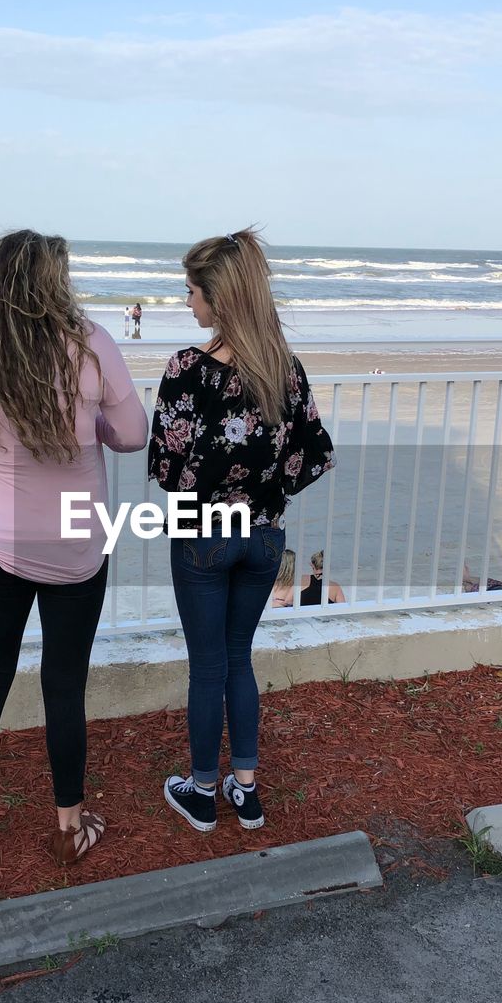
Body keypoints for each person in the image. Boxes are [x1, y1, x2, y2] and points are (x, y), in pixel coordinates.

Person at [0, 230, 148, 867]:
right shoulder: (90, 341)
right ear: (52, 282)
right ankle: (67, 828)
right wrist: (94, 427)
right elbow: (132, 434)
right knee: (65, 686)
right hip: (77, 542)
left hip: (0, 541)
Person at [148, 229, 335, 833]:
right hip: (264, 540)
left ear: (217, 299)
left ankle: (203, 792)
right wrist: (261, 490)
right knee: (238, 658)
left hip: (204, 536)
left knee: (207, 666)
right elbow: (312, 456)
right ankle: (246, 791)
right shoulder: (285, 369)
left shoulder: (186, 369)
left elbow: (165, 469)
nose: (187, 303)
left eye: (192, 291)